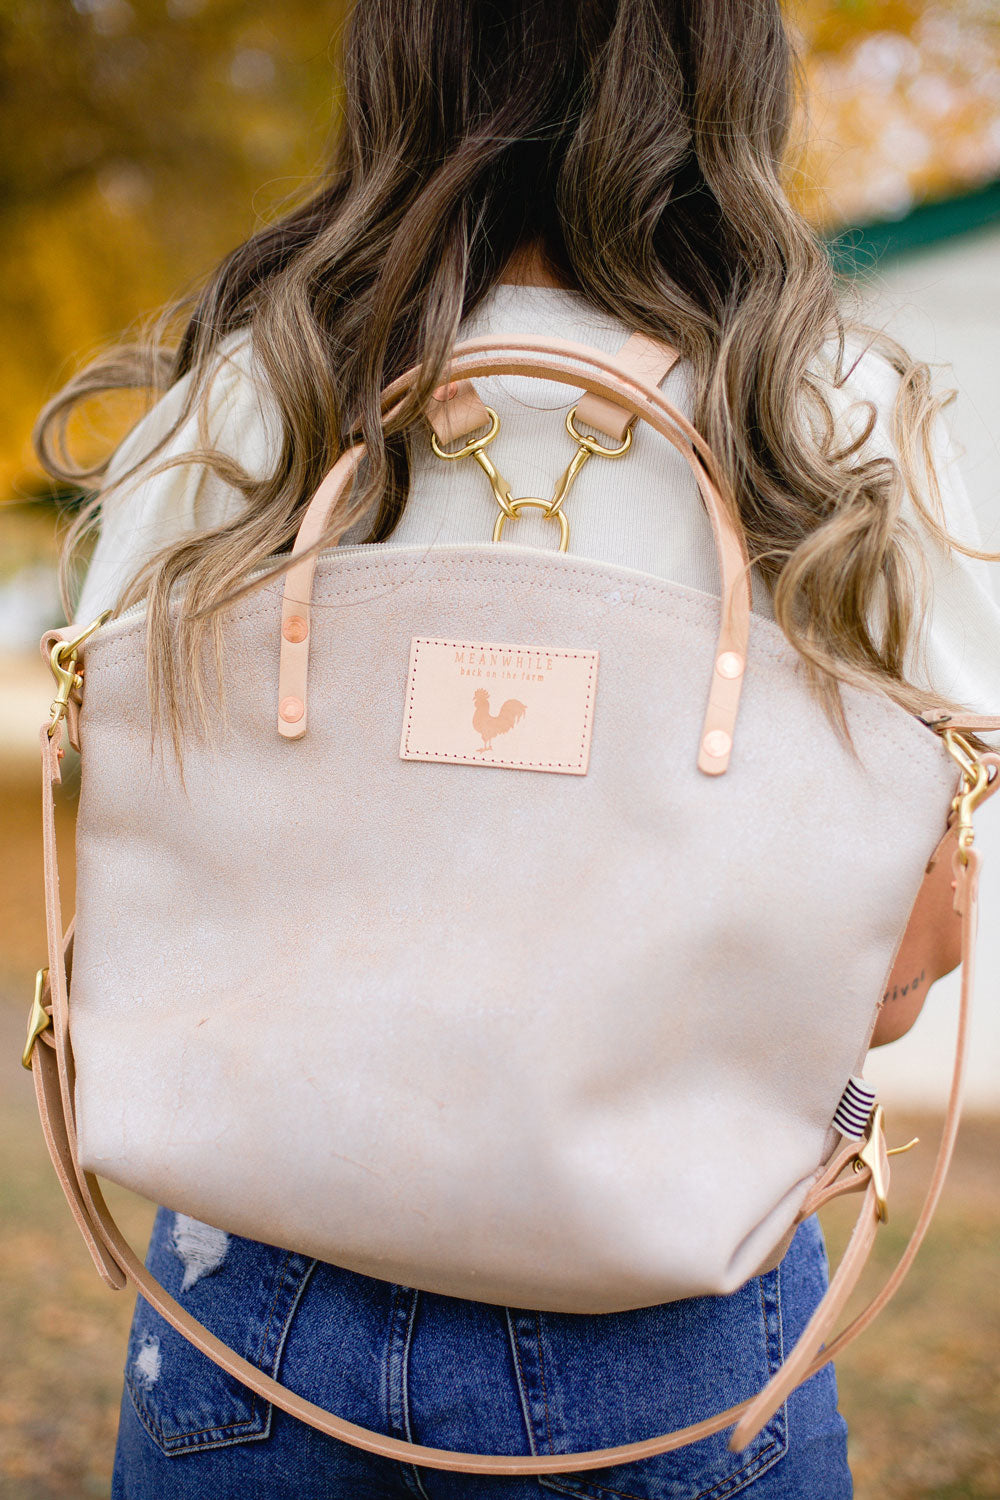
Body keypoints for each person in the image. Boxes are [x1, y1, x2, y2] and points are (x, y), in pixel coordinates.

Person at [34, 2, 1000, 1497]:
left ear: (402, 64)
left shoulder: (251, 392)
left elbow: (116, 786)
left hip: (250, 1296)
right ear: (727, 75)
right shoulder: (830, 421)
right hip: (671, 1319)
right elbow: (896, 978)